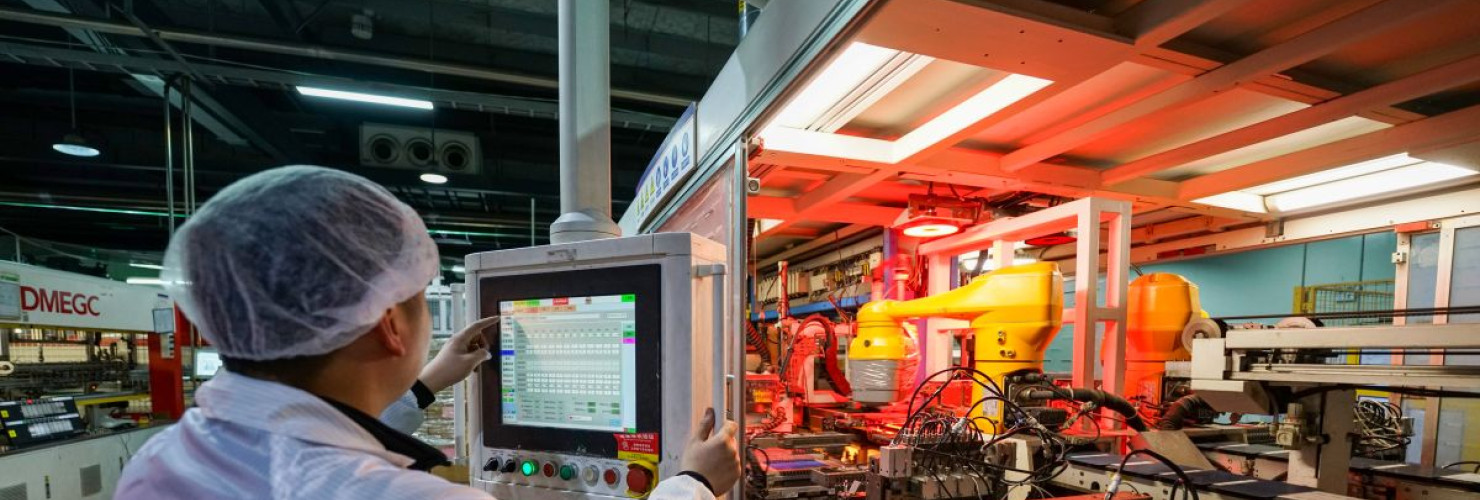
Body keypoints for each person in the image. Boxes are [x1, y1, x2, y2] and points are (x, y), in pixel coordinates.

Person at [116, 166, 740, 499]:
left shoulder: (160, 462)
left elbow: (316, 431)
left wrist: (428, 384)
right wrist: (693, 484)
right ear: (390, 323)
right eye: (417, 294)